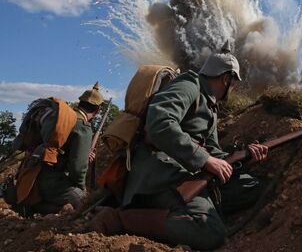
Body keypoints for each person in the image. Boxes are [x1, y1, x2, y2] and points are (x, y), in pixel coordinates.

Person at [93, 46, 268, 250]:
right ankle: (121, 219)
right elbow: (159, 123)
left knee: (250, 187)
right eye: (234, 81)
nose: (235, 87)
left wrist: (245, 157)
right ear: (225, 78)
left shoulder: (210, 104)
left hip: (184, 171)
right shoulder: (189, 86)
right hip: (158, 172)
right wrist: (205, 160)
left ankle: (186, 209)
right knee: (209, 231)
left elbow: (212, 151)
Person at [28, 83, 104, 213]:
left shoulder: (64, 119)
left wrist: (84, 156)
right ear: (96, 110)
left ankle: (36, 208)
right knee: (89, 205)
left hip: (34, 175)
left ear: (79, 103)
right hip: (52, 182)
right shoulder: (83, 127)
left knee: (65, 209)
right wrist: (81, 188)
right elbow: (78, 169)